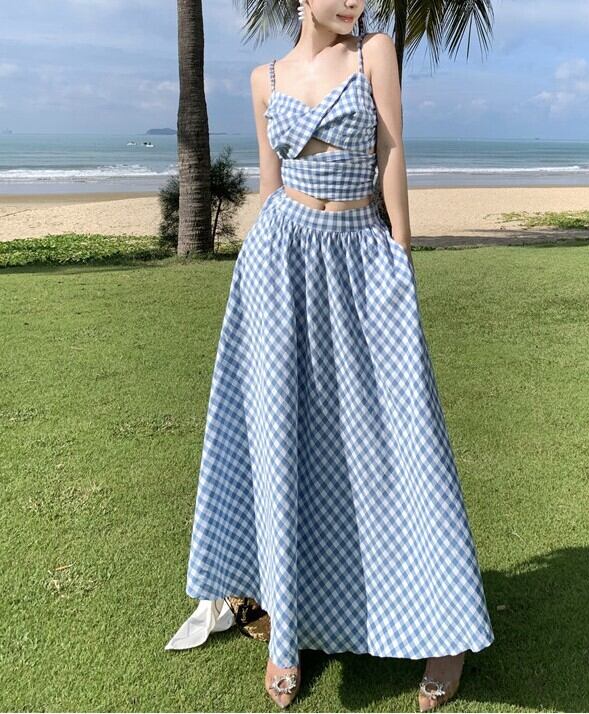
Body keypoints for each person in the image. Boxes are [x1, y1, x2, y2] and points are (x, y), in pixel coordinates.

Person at [166, 0, 495, 710]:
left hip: (361, 252)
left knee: (404, 436)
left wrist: (401, 253)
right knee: (284, 440)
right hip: (280, 262)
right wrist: (256, 271)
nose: (355, 2)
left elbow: (391, 153)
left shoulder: (374, 53)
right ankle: (285, 629)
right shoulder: (264, 79)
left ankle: (446, 634)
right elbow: (269, 185)